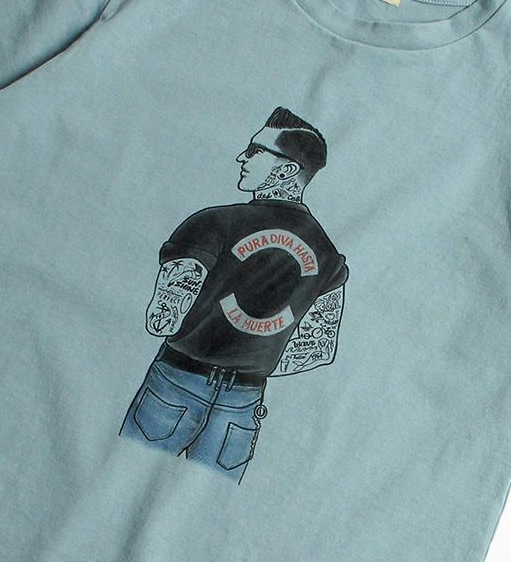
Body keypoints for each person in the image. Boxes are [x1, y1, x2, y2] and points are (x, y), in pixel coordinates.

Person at [119, 106, 349, 483]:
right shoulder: (327, 254)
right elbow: (317, 350)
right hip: (243, 404)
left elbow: (163, 320)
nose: (242, 157)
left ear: (287, 169)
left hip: (176, 383)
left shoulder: (212, 223)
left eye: (256, 151)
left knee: (124, 477)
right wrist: (254, 353)